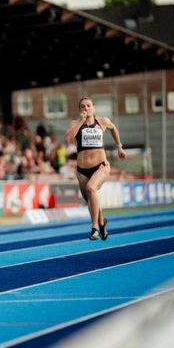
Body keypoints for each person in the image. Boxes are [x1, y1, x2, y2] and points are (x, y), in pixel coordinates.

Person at [64, 96, 126, 241]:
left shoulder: (102, 121)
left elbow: (113, 128)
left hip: (101, 166)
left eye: (88, 105)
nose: (86, 108)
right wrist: (80, 121)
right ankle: (102, 222)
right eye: (83, 106)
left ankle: (94, 229)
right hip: (82, 170)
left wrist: (119, 147)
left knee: (91, 188)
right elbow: (67, 138)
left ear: (93, 108)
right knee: (91, 201)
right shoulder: (75, 123)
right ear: (80, 110)